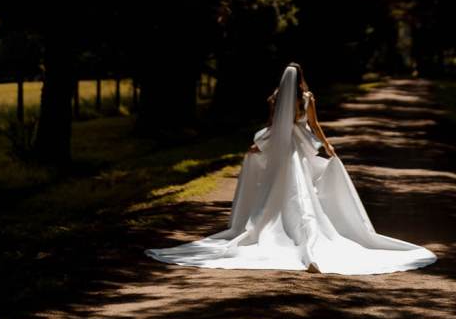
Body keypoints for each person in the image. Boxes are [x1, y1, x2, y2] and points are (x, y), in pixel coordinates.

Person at [145, 63, 437, 275]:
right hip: (301, 148)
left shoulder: (276, 98)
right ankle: (306, 234)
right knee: (304, 191)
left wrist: (258, 146)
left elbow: (274, 127)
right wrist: (328, 146)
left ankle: (283, 227)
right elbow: (314, 126)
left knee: (281, 190)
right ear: (301, 81)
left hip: (283, 150)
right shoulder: (307, 99)